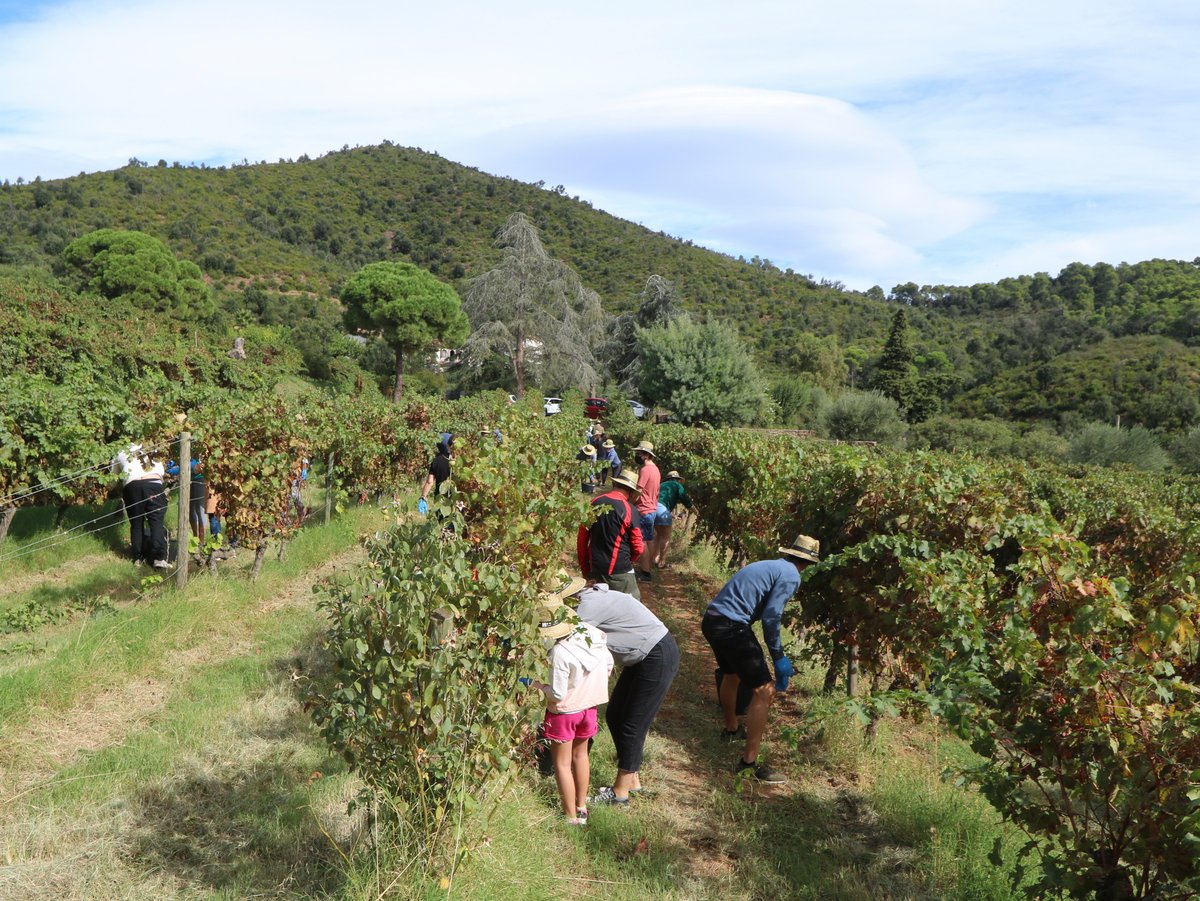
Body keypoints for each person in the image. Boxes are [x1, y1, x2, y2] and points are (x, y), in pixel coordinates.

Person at [701, 534, 821, 784]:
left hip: (712, 620)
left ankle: (732, 730)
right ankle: (748, 764)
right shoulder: (791, 575)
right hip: (732, 627)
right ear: (809, 562)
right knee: (765, 692)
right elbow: (771, 617)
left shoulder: (770, 565)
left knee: (731, 675)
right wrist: (779, 657)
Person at [570, 579, 680, 804]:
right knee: (615, 715)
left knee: (632, 723)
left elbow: (569, 642)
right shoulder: (590, 597)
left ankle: (620, 793)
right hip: (645, 655)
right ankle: (633, 779)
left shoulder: (586, 607)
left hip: (656, 655)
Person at [525, 577, 614, 825]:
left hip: (564, 714)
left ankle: (571, 818)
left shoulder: (559, 654)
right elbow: (608, 664)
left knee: (562, 765)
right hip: (590, 708)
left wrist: (537, 685)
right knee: (581, 756)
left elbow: (558, 694)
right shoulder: (592, 634)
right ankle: (581, 806)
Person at [577, 468, 644, 599]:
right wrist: (628, 561)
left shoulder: (594, 503)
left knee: (595, 608)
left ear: (614, 484)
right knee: (632, 608)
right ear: (631, 492)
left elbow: (582, 539)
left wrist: (585, 568)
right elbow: (638, 548)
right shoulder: (630, 510)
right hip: (620, 572)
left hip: (595, 568)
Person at [109, 442, 169, 568]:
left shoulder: (120, 450)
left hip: (133, 487)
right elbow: (161, 471)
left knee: (136, 523)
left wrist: (108, 489)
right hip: (154, 484)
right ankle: (158, 558)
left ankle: (138, 558)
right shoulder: (153, 446)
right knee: (156, 522)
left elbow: (113, 480)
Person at [649, 470, 694, 570]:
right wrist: (694, 509)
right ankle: (662, 562)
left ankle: (654, 560)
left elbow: (660, 501)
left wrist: (672, 516)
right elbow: (685, 499)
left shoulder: (661, 485)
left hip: (652, 509)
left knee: (658, 535)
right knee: (666, 537)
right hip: (662, 510)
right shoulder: (677, 486)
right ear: (677, 479)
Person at [632, 441, 660, 583]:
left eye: (639, 453)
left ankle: (645, 573)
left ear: (646, 455)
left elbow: (639, 490)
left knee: (641, 541)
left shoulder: (645, 470)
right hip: (652, 509)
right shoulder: (656, 469)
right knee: (649, 540)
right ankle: (648, 567)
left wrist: (630, 502)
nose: (637, 455)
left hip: (643, 509)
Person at [166, 455, 206, 545]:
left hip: (199, 480)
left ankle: (202, 541)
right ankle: (195, 538)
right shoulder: (175, 449)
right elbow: (170, 466)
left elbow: (194, 466)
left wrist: (175, 470)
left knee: (200, 510)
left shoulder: (196, 446)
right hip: (186, 481)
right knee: (191, 510)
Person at [418, 433, 453, 515]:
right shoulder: (455, 460)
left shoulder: (436, 461)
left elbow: (430, 482)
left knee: (442, 523)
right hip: (454, 496)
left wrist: (423, 497)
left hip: (440, 497)